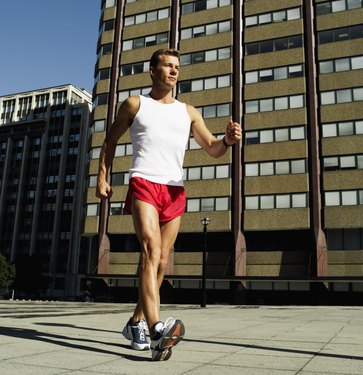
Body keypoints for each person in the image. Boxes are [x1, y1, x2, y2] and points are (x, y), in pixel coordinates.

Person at [96, 48, 242, 361]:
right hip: (144, 182)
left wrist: (227, 140)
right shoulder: (135, 104)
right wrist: (102, 177)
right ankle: (156, 327)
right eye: (167, 66)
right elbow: (110, 141)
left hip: (174, 189)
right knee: (151, 249)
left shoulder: (188, 111)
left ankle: (135, 322)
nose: (174, 71)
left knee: (161, 261)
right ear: (152, 71)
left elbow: (212, 148)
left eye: (177, 67)